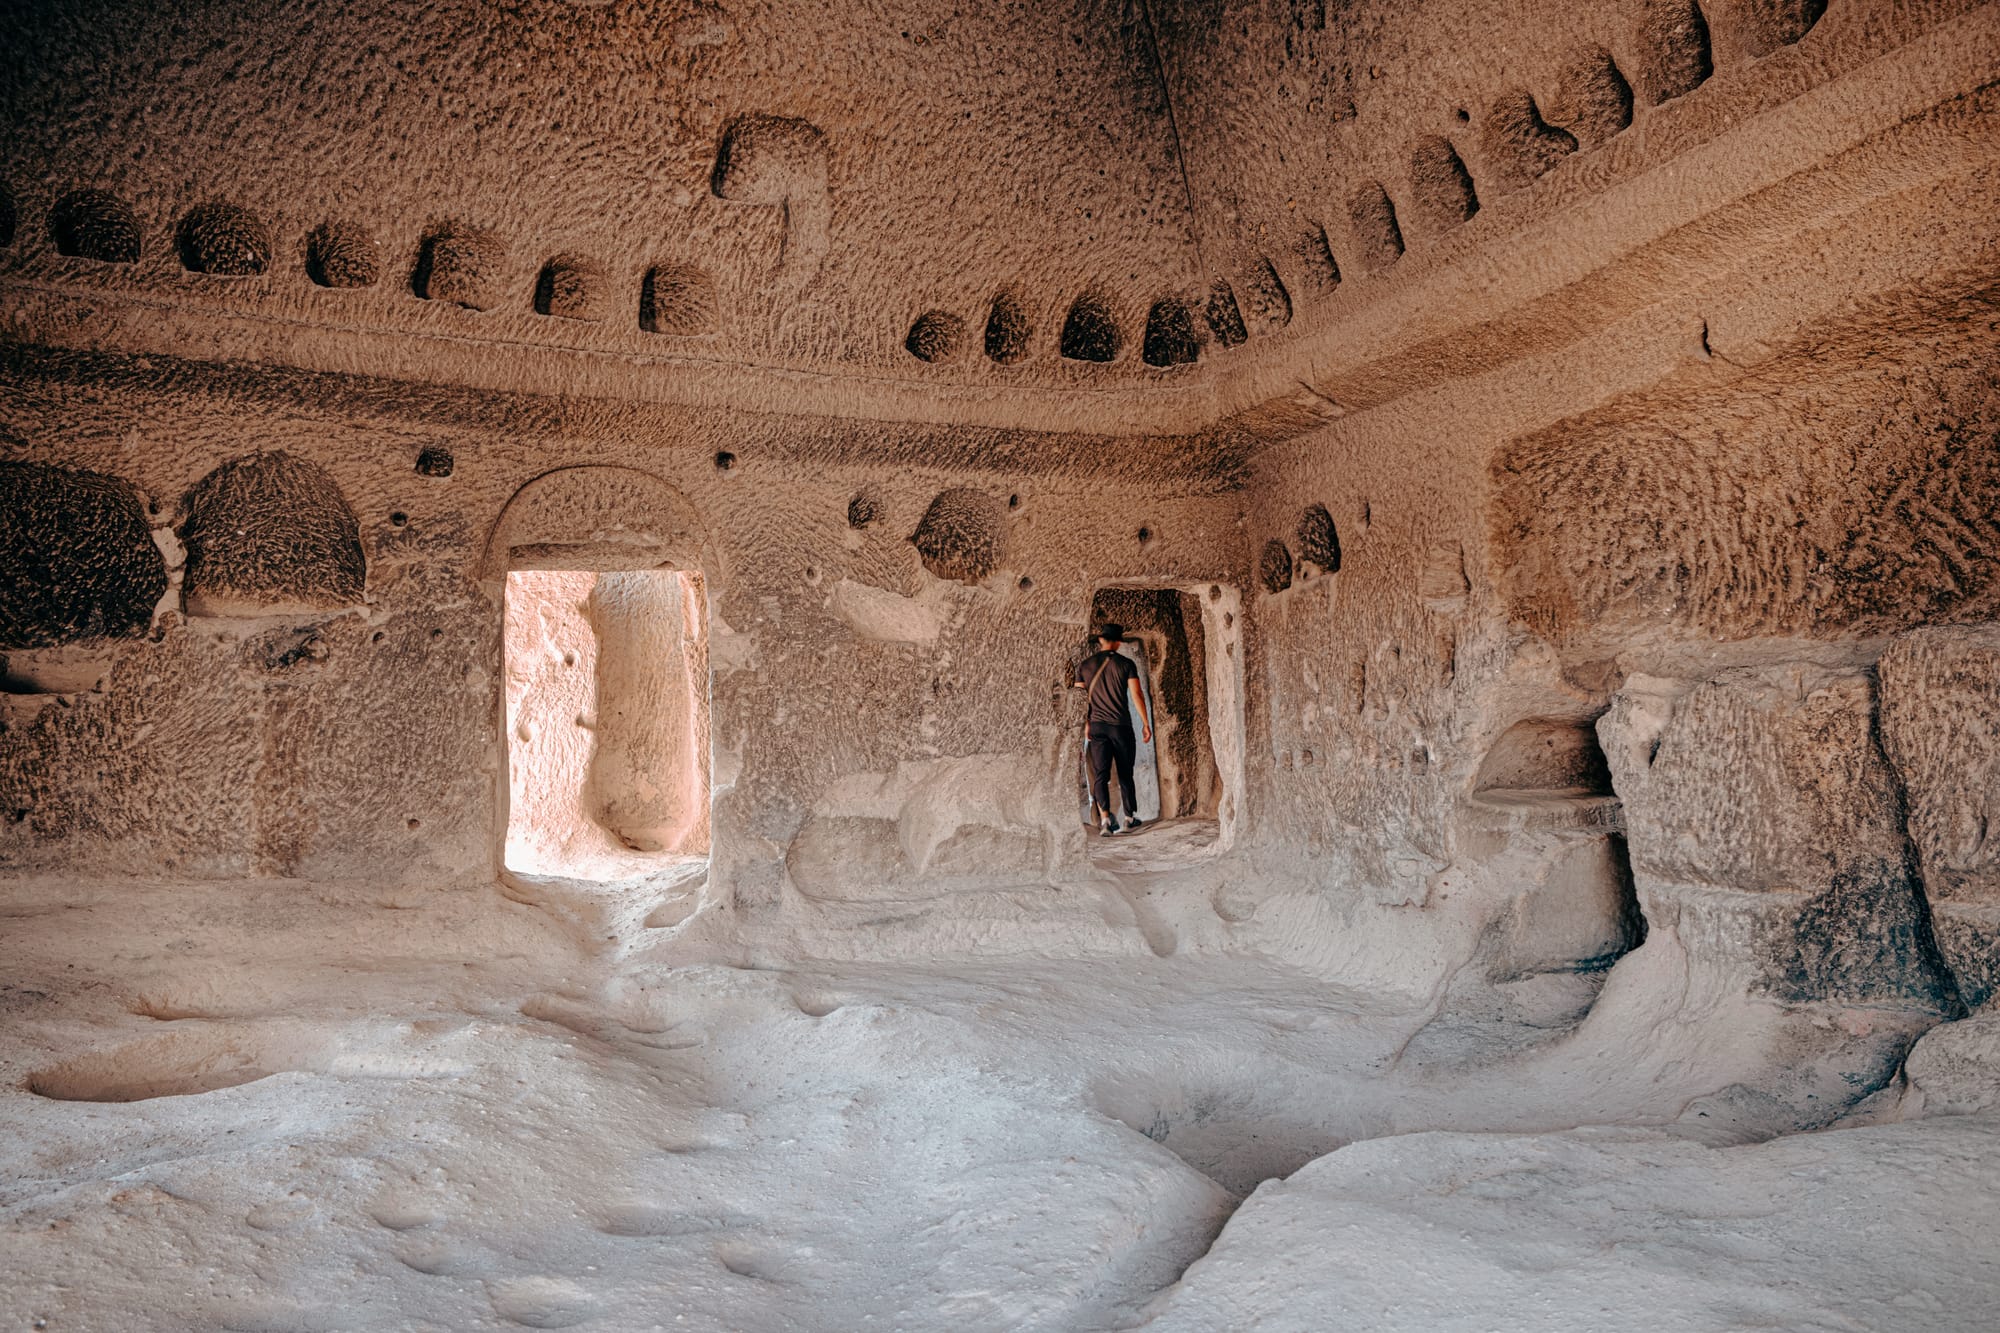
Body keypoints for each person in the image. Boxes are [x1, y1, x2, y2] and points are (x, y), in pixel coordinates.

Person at [1070, 623, 1153, 836]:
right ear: (1118, 642)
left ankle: (1105, 820)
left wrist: (1086, 725)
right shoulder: (1126, 664)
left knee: (1100, 775)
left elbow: (1080, 702)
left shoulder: (1084, 666)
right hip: (1121, 726)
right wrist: (1145, 723)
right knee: (1125, 772)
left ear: (1100, 640)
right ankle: (1128, 818)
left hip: (1097, 726)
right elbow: (1136, 695)